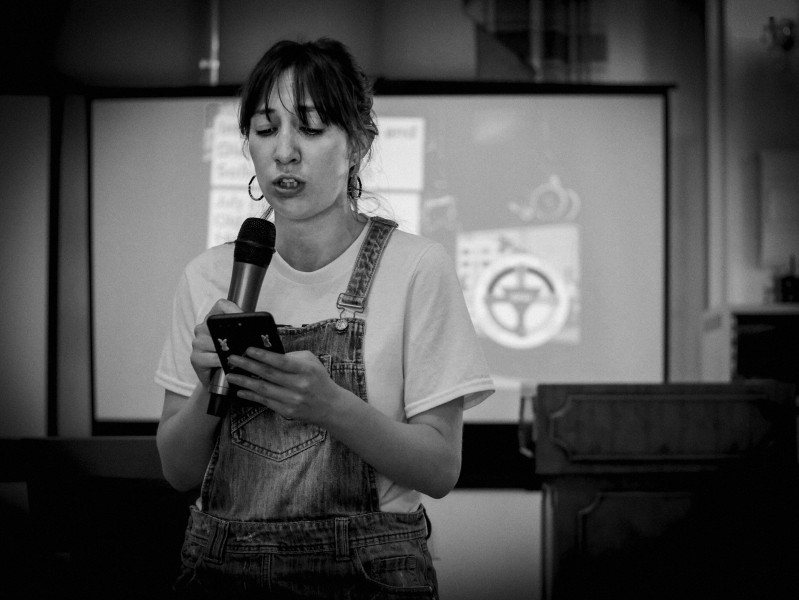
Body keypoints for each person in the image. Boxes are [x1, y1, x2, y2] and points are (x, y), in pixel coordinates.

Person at [155, 37, 494, 598]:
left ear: (357, 144)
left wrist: (329, 406)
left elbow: (440, 469)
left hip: (372, 574)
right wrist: (205, 386)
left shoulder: (416, 268)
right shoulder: (208, 276)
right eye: (265, 131)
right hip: (221, 571)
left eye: (310, 129)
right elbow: (177, 470)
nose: (285, 152)